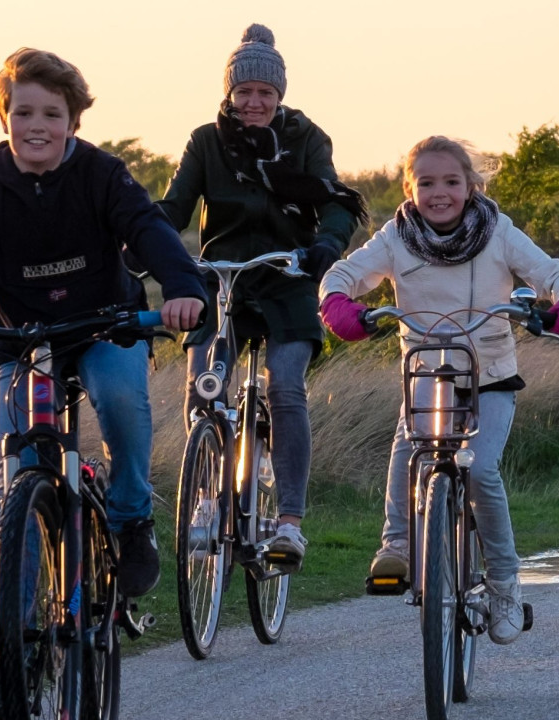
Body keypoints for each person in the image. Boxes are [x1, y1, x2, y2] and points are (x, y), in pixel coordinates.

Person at [0, 47, 206, 718]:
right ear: (4, 116)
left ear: (73, 121)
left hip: (106, 325)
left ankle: (130, 516)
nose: (37, 126)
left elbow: (149, 230)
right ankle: (11, 659)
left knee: (120, 398)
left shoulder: (102, 176)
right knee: (15, 486)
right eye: (23, 112)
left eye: (52, 114)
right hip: (21, 340)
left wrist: (181, 288)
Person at [319, 137, 559, 644]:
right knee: (410, 449)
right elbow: (344, 274)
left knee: (482, 470)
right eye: (426, 183)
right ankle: (397, 546)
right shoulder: (396, 236)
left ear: (471, 186)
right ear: (409, 189)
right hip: (426, 374)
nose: (439, 192)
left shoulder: (498, 231)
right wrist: (339, 301)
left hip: (490, 376)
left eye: (451, 181)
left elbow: (553, 274)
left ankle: (505, 586)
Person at [157, 23, 366, 569]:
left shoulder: (306, 138)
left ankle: (290, 523)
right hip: (222, 278)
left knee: (286, 388)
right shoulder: (206, 141)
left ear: (280, 94)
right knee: (204, 386)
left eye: (265, 93)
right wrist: (139, 235)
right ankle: (207, 498)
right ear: (229, 93)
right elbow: (174, 208)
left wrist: (325, 245)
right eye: (244, 91)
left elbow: (336, 203)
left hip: (287, 275)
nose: (254, 102)